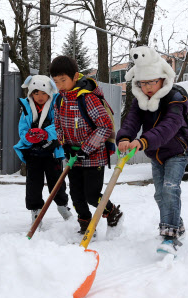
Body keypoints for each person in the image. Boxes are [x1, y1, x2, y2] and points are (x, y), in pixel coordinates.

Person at [116, 46, 188, 255]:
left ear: (162, 79)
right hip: (156, 153)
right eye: (142, 83)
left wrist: (143, 141)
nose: (147, 87)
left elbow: (169, 126)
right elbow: (131, 122)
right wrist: (124, 137)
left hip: (177, 151)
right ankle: (177, 224)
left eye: (151, 82)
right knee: (160, 195)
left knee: (170, 188)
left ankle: (170, 237)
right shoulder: (140, 101)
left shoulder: (176, 98)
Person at [50, 56, 123, 234]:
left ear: (75, 77)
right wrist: (64, 144)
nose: (59, 85)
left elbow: (105, 126)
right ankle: (86, 223)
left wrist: (86, 149)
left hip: (93, 156)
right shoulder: (59, 100)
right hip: (73, 157)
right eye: (56, 81)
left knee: (92, 195)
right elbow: (58, 124)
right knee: (76, 196)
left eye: (63, 80)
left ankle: (112, 212)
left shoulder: (88, 98)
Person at [13, 75, 72, 226]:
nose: (40, 96)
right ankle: (35, 211)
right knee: (33, 184)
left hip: (52, 153)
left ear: (49, 92)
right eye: (36, 93)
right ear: (31, 93)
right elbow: (22, 128)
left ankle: (62, 206)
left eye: (43, 93)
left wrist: (45, 133)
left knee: (57, 182)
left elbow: (59, 124)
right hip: (33, 153)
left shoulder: (55, 105)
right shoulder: (26, 108)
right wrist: (28, 136)